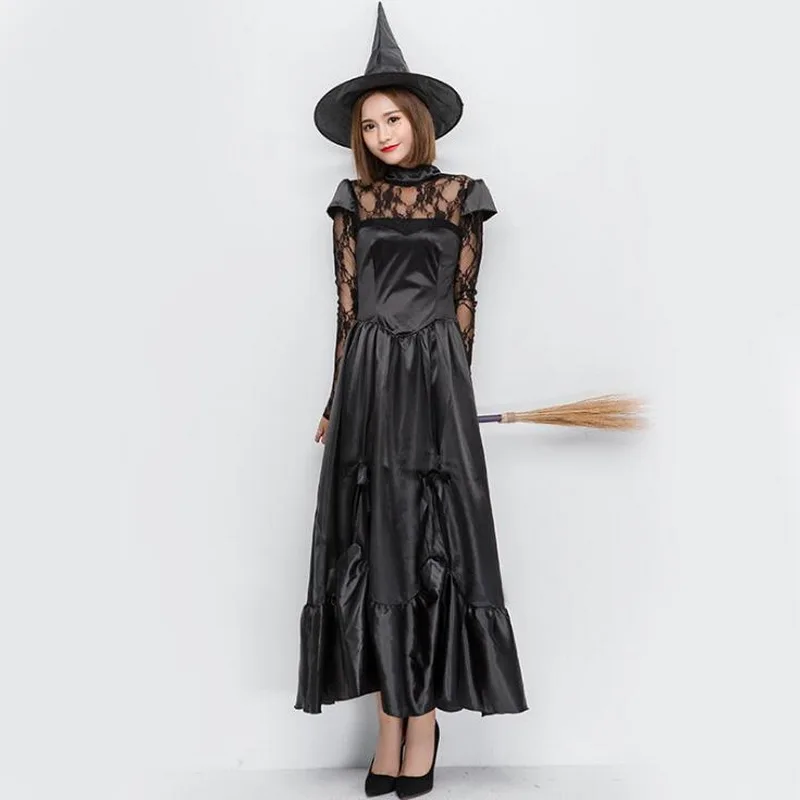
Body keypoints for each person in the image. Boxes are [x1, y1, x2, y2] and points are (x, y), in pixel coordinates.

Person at [295, 4, 527, 797]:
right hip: (367, 381)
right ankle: (389, 723)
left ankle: (420, 722)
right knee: (374, 541)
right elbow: (346, 313)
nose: (382, 133)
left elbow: (465, 306)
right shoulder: (353, 201)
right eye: (369, 124)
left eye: (392, 118)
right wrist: (335, 401)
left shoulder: (464, 195)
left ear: (418, 120)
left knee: (431, 541)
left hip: (433, 379)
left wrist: (454, 398)